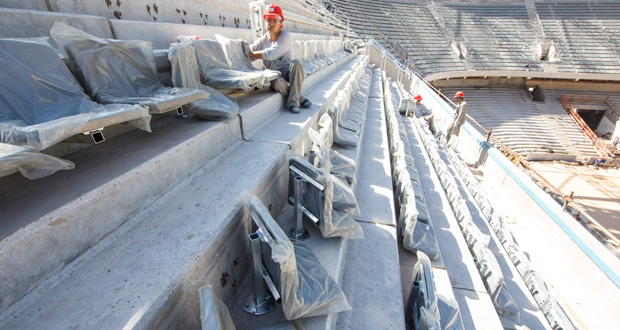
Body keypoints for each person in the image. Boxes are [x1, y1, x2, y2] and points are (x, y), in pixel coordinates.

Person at [247, 4, 312, 114]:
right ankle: (300, 98)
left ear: (281, 24)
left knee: (296, 63)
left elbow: (271, 53)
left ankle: (293, 103)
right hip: (274, 75)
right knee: (276, 82)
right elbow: (249, 52)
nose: (271, 23)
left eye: (275, 20)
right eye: (269, 20)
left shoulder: (285, 36)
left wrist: (250, 54)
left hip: (288, 72)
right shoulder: (263, 40)